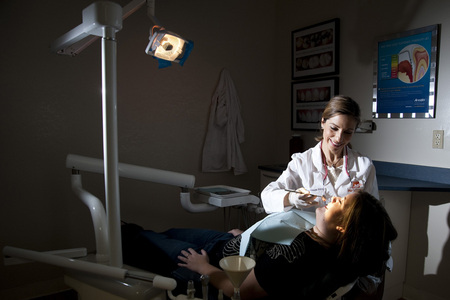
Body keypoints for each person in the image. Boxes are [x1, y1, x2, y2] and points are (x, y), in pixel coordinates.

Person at [121, 191, 397, 300]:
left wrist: (203, 268)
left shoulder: (296, 259)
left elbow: (239, 290)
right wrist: (249, 235)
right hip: (229, 243)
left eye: (342, 203)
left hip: (214, 265)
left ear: (343, 228)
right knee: (163, 232)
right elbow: (281, 237)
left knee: (138, 241)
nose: (334, 197)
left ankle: (119, 232)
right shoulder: (323, 241)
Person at [261, 95, 379, 214]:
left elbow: (374, 211)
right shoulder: (302, 162)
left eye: (348, 132)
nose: (339, 138)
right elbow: (267, 196)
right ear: (323, 122)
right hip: (312, 230)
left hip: (349, 232)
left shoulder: (364, 165)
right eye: (334, 128)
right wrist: (291, 198)